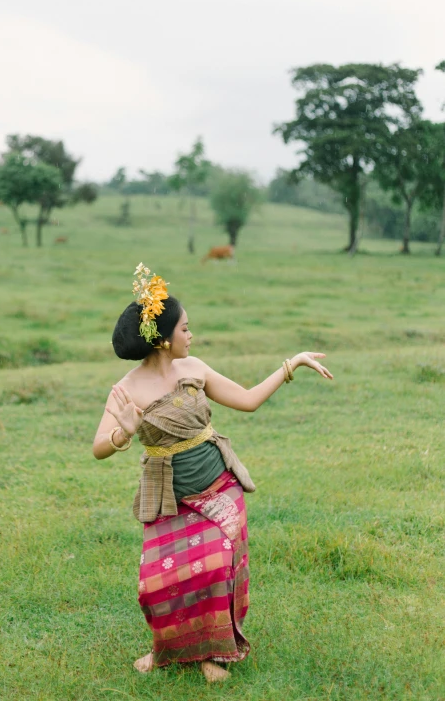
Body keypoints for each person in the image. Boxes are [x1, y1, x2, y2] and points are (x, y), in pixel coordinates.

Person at [93, 264, 333, 683]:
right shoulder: (127, 388)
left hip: (219, 485)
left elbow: (247, 399)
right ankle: (166, 650)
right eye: (186, 329)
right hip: (168, 496)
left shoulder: (195, 368)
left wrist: (291, 364)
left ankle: (214, 655)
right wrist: (123, 433)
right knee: (160, 582)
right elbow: (98, 448)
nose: (192, 335)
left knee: (217, 569)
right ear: (165, 339)